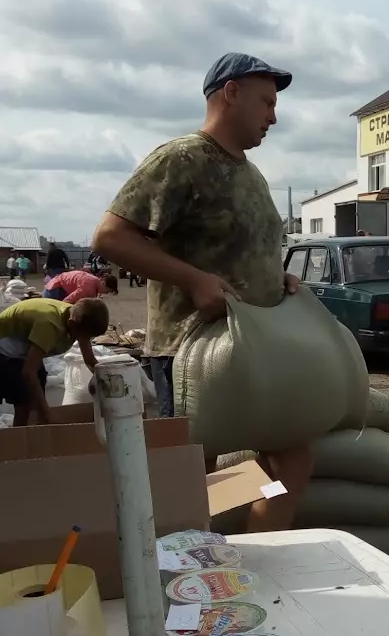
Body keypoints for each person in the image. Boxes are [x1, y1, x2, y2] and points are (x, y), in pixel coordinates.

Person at [91, 50, 313, 532]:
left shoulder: (252, 174)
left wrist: (280, 279)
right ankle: (195, 581)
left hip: (253, 350)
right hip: (190, 353)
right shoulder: (182, 160)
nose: (274, 116)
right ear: (230, 94)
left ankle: (258, 563)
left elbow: (245, 249)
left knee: (291, 461)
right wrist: (193, 280)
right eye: (266, 102)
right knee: (197, 475)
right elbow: (110, 237)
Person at [0, 297, 108, 426]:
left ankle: (36, 439)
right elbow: (28, 372)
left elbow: (90, 360)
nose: (85, 340)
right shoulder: (50, 325)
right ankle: (19, 442)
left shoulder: (76, 319)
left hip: (25, 349)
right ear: (71, 324)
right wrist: (48, 413)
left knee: (36, 402)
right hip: (5, 350)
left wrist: (107, 382)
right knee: (24, 403)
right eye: (83, 336)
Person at [43, 270, 119, 303]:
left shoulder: (94, 281)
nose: (105, 293)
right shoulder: (89, 287)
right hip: (55, 289)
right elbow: (69, 300)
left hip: (57, 285)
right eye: (107, 291)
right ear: (103, 283)